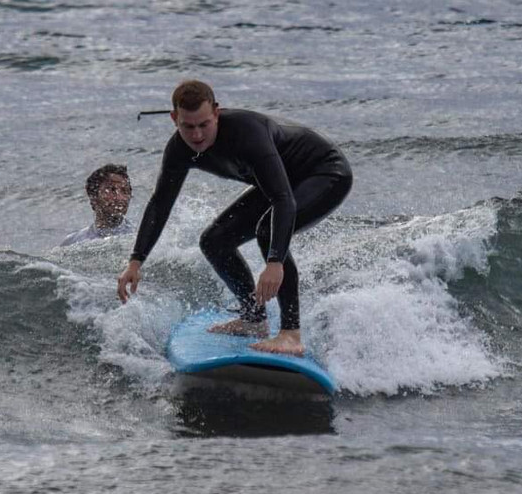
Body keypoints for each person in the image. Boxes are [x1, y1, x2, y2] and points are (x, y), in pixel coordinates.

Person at [116, 80, 352, 356]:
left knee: (267, 230)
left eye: (204, 124)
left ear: (217, 112)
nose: (197, 135)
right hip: (280, 183)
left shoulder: (247, 133)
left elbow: (283, 200)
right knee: (215, 241)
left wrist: (275, 262)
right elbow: (160, 204)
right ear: (174, 119)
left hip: (324, 172)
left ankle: (291, 334)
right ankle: (254, 319)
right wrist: (136, 261)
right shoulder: (179, 150)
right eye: (188, 126)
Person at [60, 163, 133, 247]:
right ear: (94, 197)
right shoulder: (73, 242)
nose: (120, 198)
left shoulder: (138, 239)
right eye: (112, 190)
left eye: (125, 191)